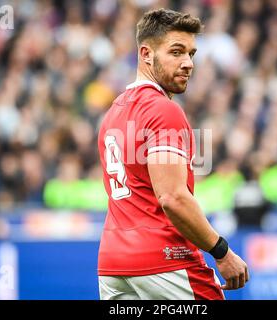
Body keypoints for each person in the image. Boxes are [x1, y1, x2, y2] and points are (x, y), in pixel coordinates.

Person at [97, 8, 249, 300]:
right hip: (165, 260)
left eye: (191, 54)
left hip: (113, 264)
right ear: (146, 54)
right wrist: (221, 251)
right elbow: (173, 198)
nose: (188, 63)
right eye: (176, 52)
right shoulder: (162, 110)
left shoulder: (114, 112)